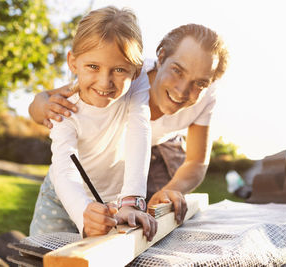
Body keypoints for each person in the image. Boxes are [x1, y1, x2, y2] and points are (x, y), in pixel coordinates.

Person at [29, 23, 229, 225]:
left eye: (200, 83)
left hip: (148, 155)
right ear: (160, 58)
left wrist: (170, 190)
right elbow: (52, 99)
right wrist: (42, 105)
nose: (182, 91)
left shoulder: (206, 97)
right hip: (94, 162)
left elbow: (196, 161)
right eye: (177, 70)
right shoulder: (125, 76)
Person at [29, 6, 158, 241]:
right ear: (73, 62)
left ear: (136, 72)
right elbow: (64, 166)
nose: (104, 81)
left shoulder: (137, 85)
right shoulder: (64, 106)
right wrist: (82, 213)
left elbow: (140, 131)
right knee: (42, 257)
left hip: (111, 203)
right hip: (59, 199)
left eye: (119, 70)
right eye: (93, 67)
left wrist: (132, 201)